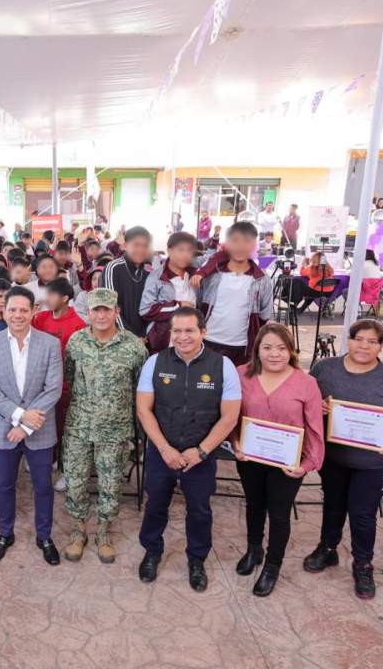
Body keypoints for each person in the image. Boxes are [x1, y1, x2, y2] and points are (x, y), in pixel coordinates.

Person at [304, 320, 383, 599]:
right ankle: (328, 548)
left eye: (372, 341)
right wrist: (317, 407)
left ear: (381, 346)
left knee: (362, 514)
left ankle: (363, 563)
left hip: (374, 462)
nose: (364, 346)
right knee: (332, 504)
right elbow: (307, 403)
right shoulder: (324, 369)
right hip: (334, 457)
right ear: (349, 339)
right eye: (359, 339)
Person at [135, 307, 241, 590]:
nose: (183, 337)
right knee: (155, 504)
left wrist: (202, 451)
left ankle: (197, 560)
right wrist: (164, 448)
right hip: (162, 450)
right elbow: (144, 410)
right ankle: (152, 551)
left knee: (199, 510)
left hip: (201, 454)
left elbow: (229, 416)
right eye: (177, 331)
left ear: (203, 332)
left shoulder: (223, 366)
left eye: (189, 330)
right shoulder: (155, 362)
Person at [230, 323, 325, 596]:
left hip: (288, 463)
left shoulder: (307, 384)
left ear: (291, 351)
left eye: (282, 348)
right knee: (254, 505)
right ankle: (253, 549)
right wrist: (235, 443)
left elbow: (315, 428)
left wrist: (307, 465)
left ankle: (272, 565)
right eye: (268, 347)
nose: (275, 354)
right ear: (257, 350)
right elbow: (231, 416)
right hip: (249, 457)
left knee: (279, 513)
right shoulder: (240, 375)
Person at [0, 286, 63, 565]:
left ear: (33, 311)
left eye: (23, 310)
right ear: (4, 310)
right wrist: (18, 416)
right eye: (12, 309)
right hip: (4, 428)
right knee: (4, 485)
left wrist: (25, 427)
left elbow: (53, 389)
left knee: (43, 486)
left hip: (40, 429)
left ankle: (44, 536)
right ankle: (5, 534)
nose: (17, 315)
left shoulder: (49, 343)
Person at [61, 288, 146, 564]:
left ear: (116, 312)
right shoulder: (76, 342)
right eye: (96, 310)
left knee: (110, 483)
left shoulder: (133, 346)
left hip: (116, 429)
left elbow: (141, 389)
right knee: (75, 480)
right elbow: (70, 378)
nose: (100, 315)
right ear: (88, 313)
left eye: (106, 310)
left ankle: (104, 532)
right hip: (79, 426)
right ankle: (78, 530)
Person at [191, 221, 274, 366]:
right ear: (227, 244)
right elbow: (187, 261)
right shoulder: (211, 273)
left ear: (254, 245)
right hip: (207, 341)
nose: (240, 246)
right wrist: (211, 263)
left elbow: (265, 316)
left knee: (238, 388)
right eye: (235, 241)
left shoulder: (262, 280)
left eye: (247, 241)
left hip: (242, 349)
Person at [31, 277, 86, 491]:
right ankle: (51, 461)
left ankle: (66, 470)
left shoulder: (78, 325)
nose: (47, 298)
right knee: (45, 428)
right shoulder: (41, 318)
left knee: (66, 431)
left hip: (66, 387)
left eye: (52, 294)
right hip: (41, 386)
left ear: (64, 298)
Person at [139, 232, 198, 354]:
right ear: (169, 250)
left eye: (189, 250)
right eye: (180, 250)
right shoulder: (157, 277)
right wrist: (178, 306)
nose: (185, 254)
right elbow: (145, 310)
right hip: (164, 343)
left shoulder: (195, 275)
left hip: (191, 343)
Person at [102, 226, 154, 335]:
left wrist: (146, 335)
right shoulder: (113, 268)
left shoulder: (149, 272)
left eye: (145, 246)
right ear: (125, 246)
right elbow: (109, 305)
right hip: (119, 338)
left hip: (144, 339)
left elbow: (151, 309)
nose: (140, 250)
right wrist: (131, 337)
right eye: (136, 245)